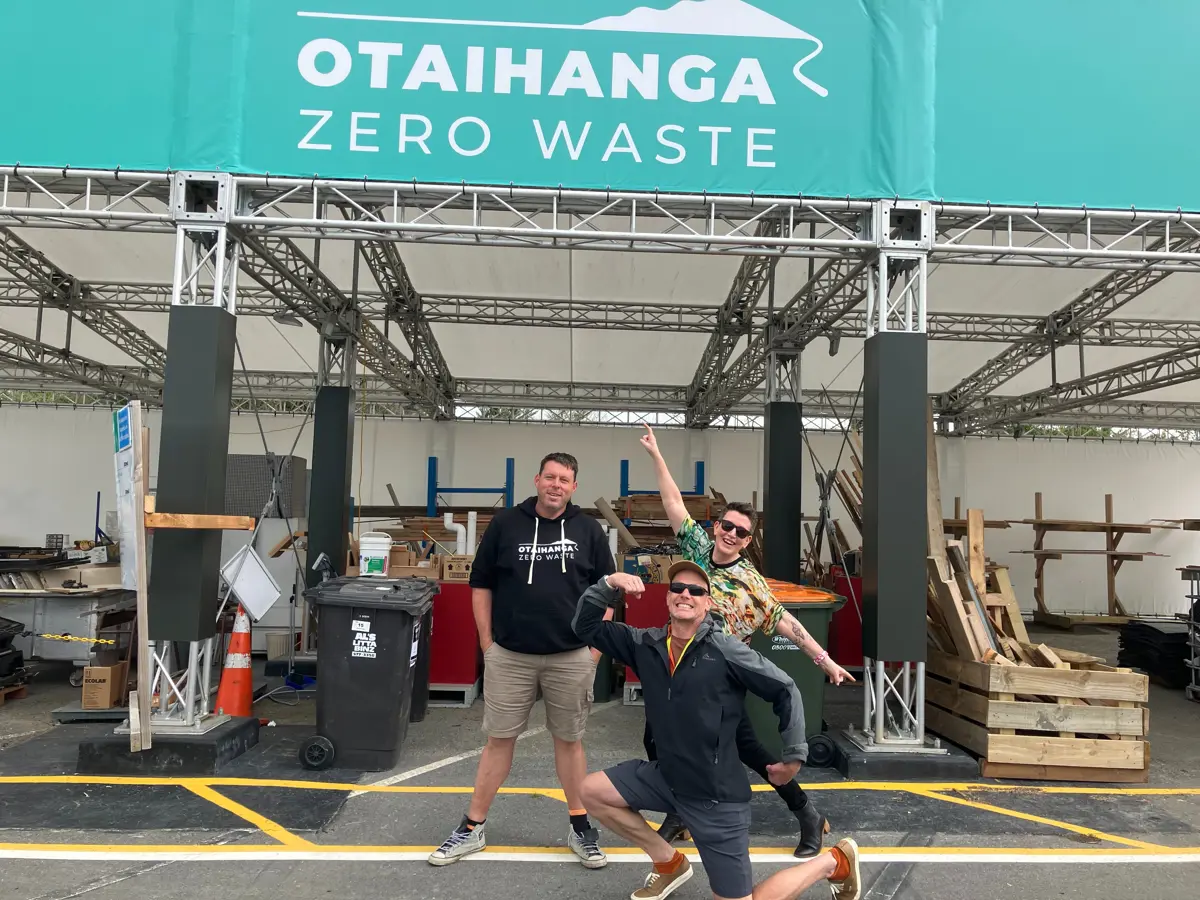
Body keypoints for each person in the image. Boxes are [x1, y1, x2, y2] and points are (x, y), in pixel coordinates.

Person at [573, 561, 861, 900]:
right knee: (591, 791)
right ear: (667, 598)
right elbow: (584, 626)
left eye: (696, 591)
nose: (685, 594)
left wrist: (794, 756)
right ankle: (668, 863)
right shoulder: (645, 645)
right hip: (667, 779)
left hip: (716, 798)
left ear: (708, 603)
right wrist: (609, 582)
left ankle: (835, 862)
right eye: (678, 588)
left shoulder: (726, 650)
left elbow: (785, 689)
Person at [638, 424, 855, 859]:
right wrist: (657, 455)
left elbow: (785, 621)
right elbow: (673, 502)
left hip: (721, 676)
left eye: (741, 532)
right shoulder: (697, 549)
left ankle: (808, 814)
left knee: (749, 750)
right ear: (716, 526)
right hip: (677, 666)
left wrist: (825, 660)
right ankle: (680, 813)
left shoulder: (750, 581)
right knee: (657, 739)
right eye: (727, 526)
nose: (731, 534)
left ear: (748, 540)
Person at [429, 452, 617, 869]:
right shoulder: (506, 524)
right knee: (498, 741)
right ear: (536, 480)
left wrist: (594, 650)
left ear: (574, 487)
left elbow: (608, 591)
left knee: (569, 742)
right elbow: (481, 584)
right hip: (510, 656)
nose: (556, 485)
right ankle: (472, 827)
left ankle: (580, 826)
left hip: (571, 656)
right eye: (550, 477)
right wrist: (487, 644)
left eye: (564, 479)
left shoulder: (588, 530)